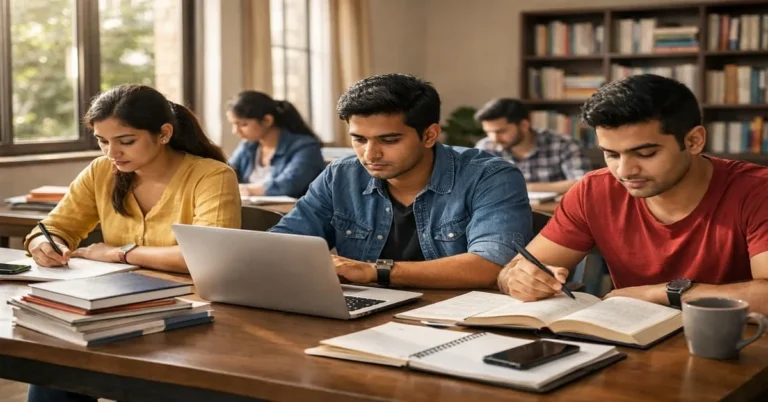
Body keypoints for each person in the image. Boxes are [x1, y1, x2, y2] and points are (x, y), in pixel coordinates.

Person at [26, 84, 241, 402]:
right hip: (114, 308)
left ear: (164, 133)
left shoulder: (211, 176)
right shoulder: (102, 171)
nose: (112, 153)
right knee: (53, 370)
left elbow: (208, 259)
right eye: (102, 141)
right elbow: (54, 227)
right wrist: (46, 244)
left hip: (191, 314)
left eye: (126, 142)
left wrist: (119, 253)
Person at [497, 74, 768, 315]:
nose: (625, 171)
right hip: (637, 345)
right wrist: (520, 280)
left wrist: (662, 293)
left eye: (646, 153)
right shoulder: (594, 191)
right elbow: (512, 271)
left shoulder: (757, 190)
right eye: (611, 154)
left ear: (694, 141)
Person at [270, 73, 532, 289]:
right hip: (366, 310)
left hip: (455, 318)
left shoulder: (491, 176)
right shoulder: (340, 175)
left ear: (429, 135)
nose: (370, 154)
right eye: (359, 139)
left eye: (389, 140)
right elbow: (282, 244)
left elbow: (492, 266)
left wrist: (375, 271)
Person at [474, 98, 591, 194]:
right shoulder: (485, 147)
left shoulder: (563, 144)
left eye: (501, 131)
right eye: (489, 132)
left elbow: (581, 182)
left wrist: (522, 186)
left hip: (552, 213)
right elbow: (474, 185)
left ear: (524, 125)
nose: (494, 138)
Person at [226, 91, 325, 198]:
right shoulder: (248, 146)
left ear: (267, 120)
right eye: (233, 124)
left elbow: (289, 185)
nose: (235, 131)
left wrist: (247, 190)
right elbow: (228, 173)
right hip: (252, 211)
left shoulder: (306, 147)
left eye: (243, 124)